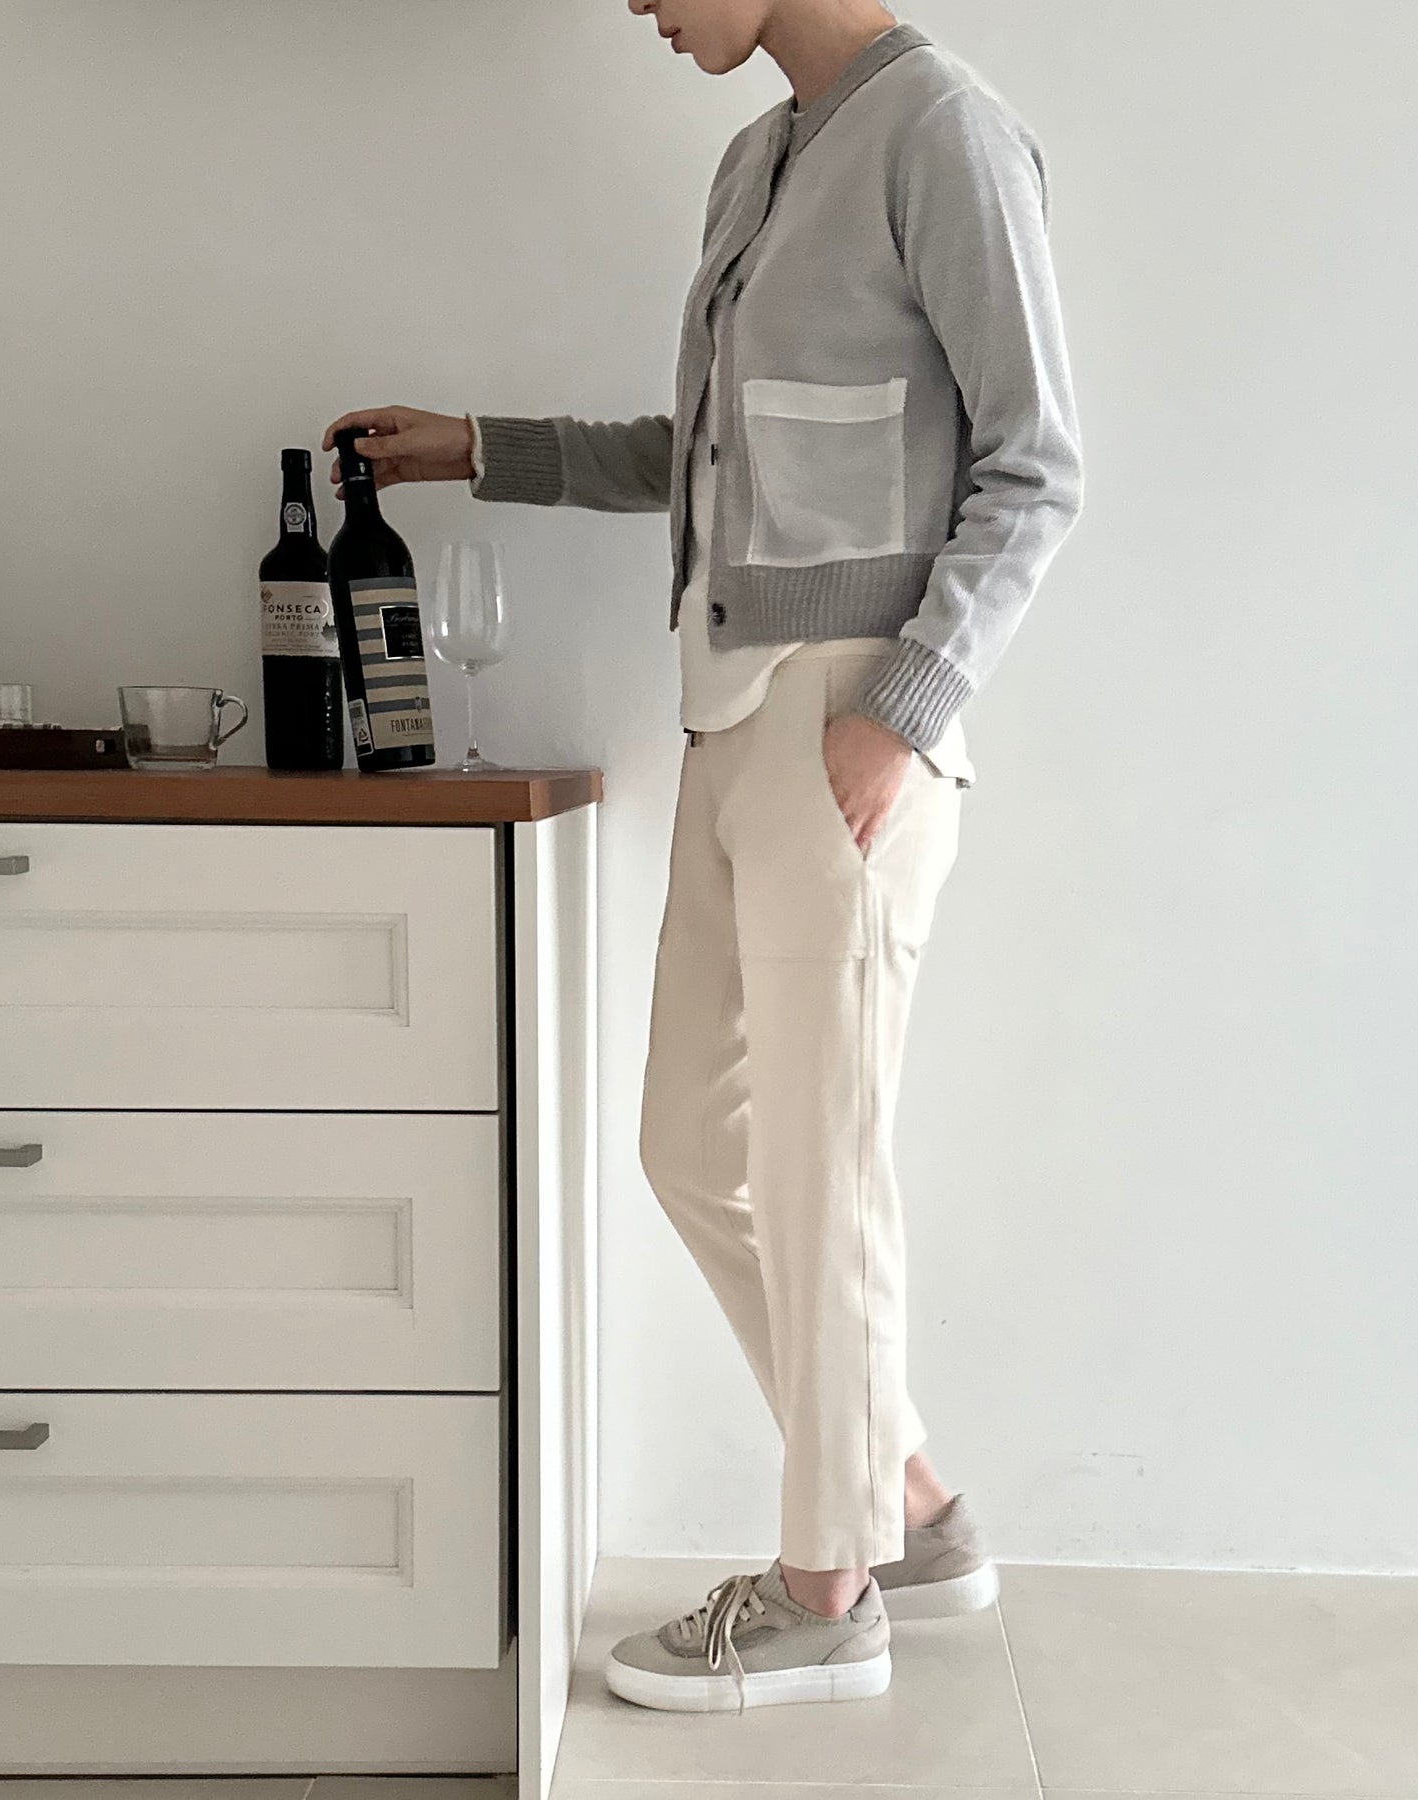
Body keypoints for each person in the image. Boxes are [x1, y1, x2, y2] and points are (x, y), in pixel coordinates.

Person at [324, 0, 1084, 1715]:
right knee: (694, 1144)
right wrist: (481, 447)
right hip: (736, 715)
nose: (642, 8)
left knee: (821, 1165)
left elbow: (1037, 467)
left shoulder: (944, 134)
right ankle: (909, 1508)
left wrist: (905, 705)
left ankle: (828, 1592)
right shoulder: (760, 162)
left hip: (850, 720)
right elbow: (716, 463)